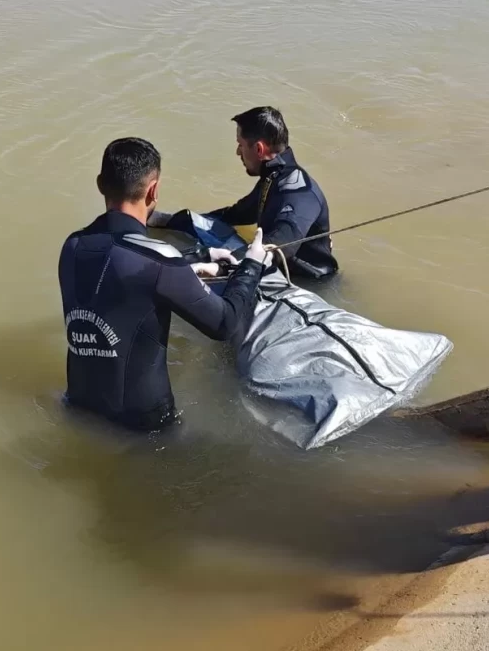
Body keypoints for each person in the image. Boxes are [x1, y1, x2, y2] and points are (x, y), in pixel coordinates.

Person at [58, 137, 269, 433]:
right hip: (146, 428)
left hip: (78, 410)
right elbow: (225, 323)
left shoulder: (72, 246)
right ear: (153, 190)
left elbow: (120, 274)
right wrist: (253, 264)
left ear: (100, 184)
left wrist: (197, 259)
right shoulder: (160, 261)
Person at [155, 107, 338, 282]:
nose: (237, 152)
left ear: (259, 149)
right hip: (280, 271)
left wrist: (221, 267)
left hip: (311, 284)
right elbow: (236, 214)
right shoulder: (274, 178)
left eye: (240, 145)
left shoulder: (300, 194)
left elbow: (277, 247)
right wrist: (168, 221)